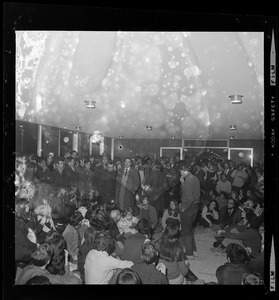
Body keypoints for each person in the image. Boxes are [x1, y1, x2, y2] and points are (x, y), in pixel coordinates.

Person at [15, 244, 82, 285]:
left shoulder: (27, 268)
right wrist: (77, 277)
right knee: (78, 274)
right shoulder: (45, 276)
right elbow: (68, 280)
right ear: (48, 261)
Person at [179, 160, 201, 259]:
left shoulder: (188, 180)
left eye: (180, 171)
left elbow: (189, 198)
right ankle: (194, 250)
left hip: (189, 207)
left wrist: (183, 208)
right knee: (190, 229)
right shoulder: (194, 178)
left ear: (183, 170)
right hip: (195, 206)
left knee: (186, 231)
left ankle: (189, 253)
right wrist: (182, 183)